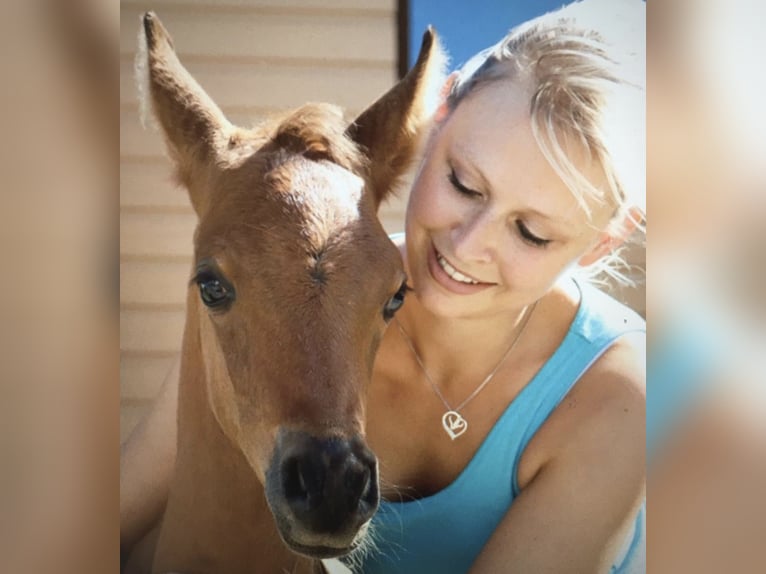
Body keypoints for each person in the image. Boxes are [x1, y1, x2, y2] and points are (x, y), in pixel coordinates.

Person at [121, 1, 646, 572]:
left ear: (604, 241)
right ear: (436, 117)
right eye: (463, 183)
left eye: (530, 232)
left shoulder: (621, 398)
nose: (465, 246)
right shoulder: (293, 291)